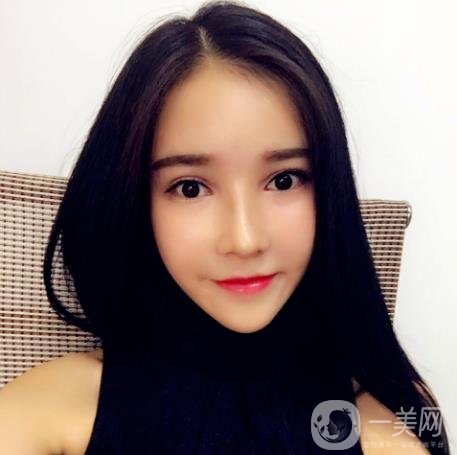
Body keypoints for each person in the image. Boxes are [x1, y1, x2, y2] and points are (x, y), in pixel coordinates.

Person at [0, 1, 450, 454]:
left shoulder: (385, 414)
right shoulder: (52, 410)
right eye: (190, 188)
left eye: (284, 180)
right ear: (135, 201)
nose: (245, 239)